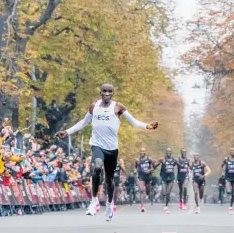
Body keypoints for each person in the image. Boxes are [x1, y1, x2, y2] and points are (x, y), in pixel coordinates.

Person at [55, 84, 158, 221]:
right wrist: (67, 132)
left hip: (112, 148)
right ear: (100, 92)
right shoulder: (94, 106)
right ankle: (94, 201)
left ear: (113, 93)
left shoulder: (118, 107)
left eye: (110, 91)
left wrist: (148, 126)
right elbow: (83, 123)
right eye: (104, 91)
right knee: (96, 167)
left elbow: (133, 122)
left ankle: (110, 204)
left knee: (109, 180)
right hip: (97, 145)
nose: (107, 93)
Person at [154, 147, 176, 214]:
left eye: (169, 151)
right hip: (164, 177)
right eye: (167, 151)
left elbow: (179, 165)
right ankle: (164, 199)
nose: (168, 153)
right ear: (165, 152)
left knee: (168, 193)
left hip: (171, 177)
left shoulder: (174, 159)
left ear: (171, 152)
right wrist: (158, 163)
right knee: (164, 193)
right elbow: (155, 166)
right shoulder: (162, 159)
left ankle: (166, 207)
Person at [135, 148, 155, 212]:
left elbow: (153, 167)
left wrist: (150, 170)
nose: (142, 152)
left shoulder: (149, 159)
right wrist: (135, 170)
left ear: (145, 152)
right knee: (141, 190)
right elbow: (135, 167)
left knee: (147, 192)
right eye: (141, 151)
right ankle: (142, 206)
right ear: (139, 152)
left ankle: (148, 194)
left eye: (143, 151)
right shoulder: (137, 160)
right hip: (141, 176)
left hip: (148, 177)